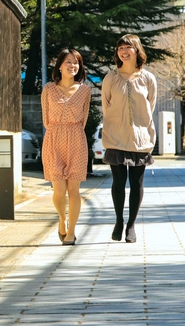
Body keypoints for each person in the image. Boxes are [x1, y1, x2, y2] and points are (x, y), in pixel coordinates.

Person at [102, 34, 156, 243]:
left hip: (140, 139)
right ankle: (118, 220)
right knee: (118, 181)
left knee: (137, 182)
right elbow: (106, 106)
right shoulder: (111, 78)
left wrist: (139, 126)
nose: (123, 51)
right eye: (120, 48)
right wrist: (118, 123)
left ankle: (132, 224)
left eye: (128, 47)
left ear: (137, 51)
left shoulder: (148, 78)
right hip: (115, 136)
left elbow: (149, 107)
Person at [41, 48, 91, 246]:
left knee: (74, 190)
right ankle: (62, 219)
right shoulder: (48, 89)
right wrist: (57, 131)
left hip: (77, 139)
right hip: (53, 138)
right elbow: (45, 118)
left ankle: (71, 232)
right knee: (59, 189)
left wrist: (72, 131)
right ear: (60, 65)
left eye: (76, 62)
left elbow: (84, 118)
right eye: (68, 62)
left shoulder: (85, 90)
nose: (73, 66)